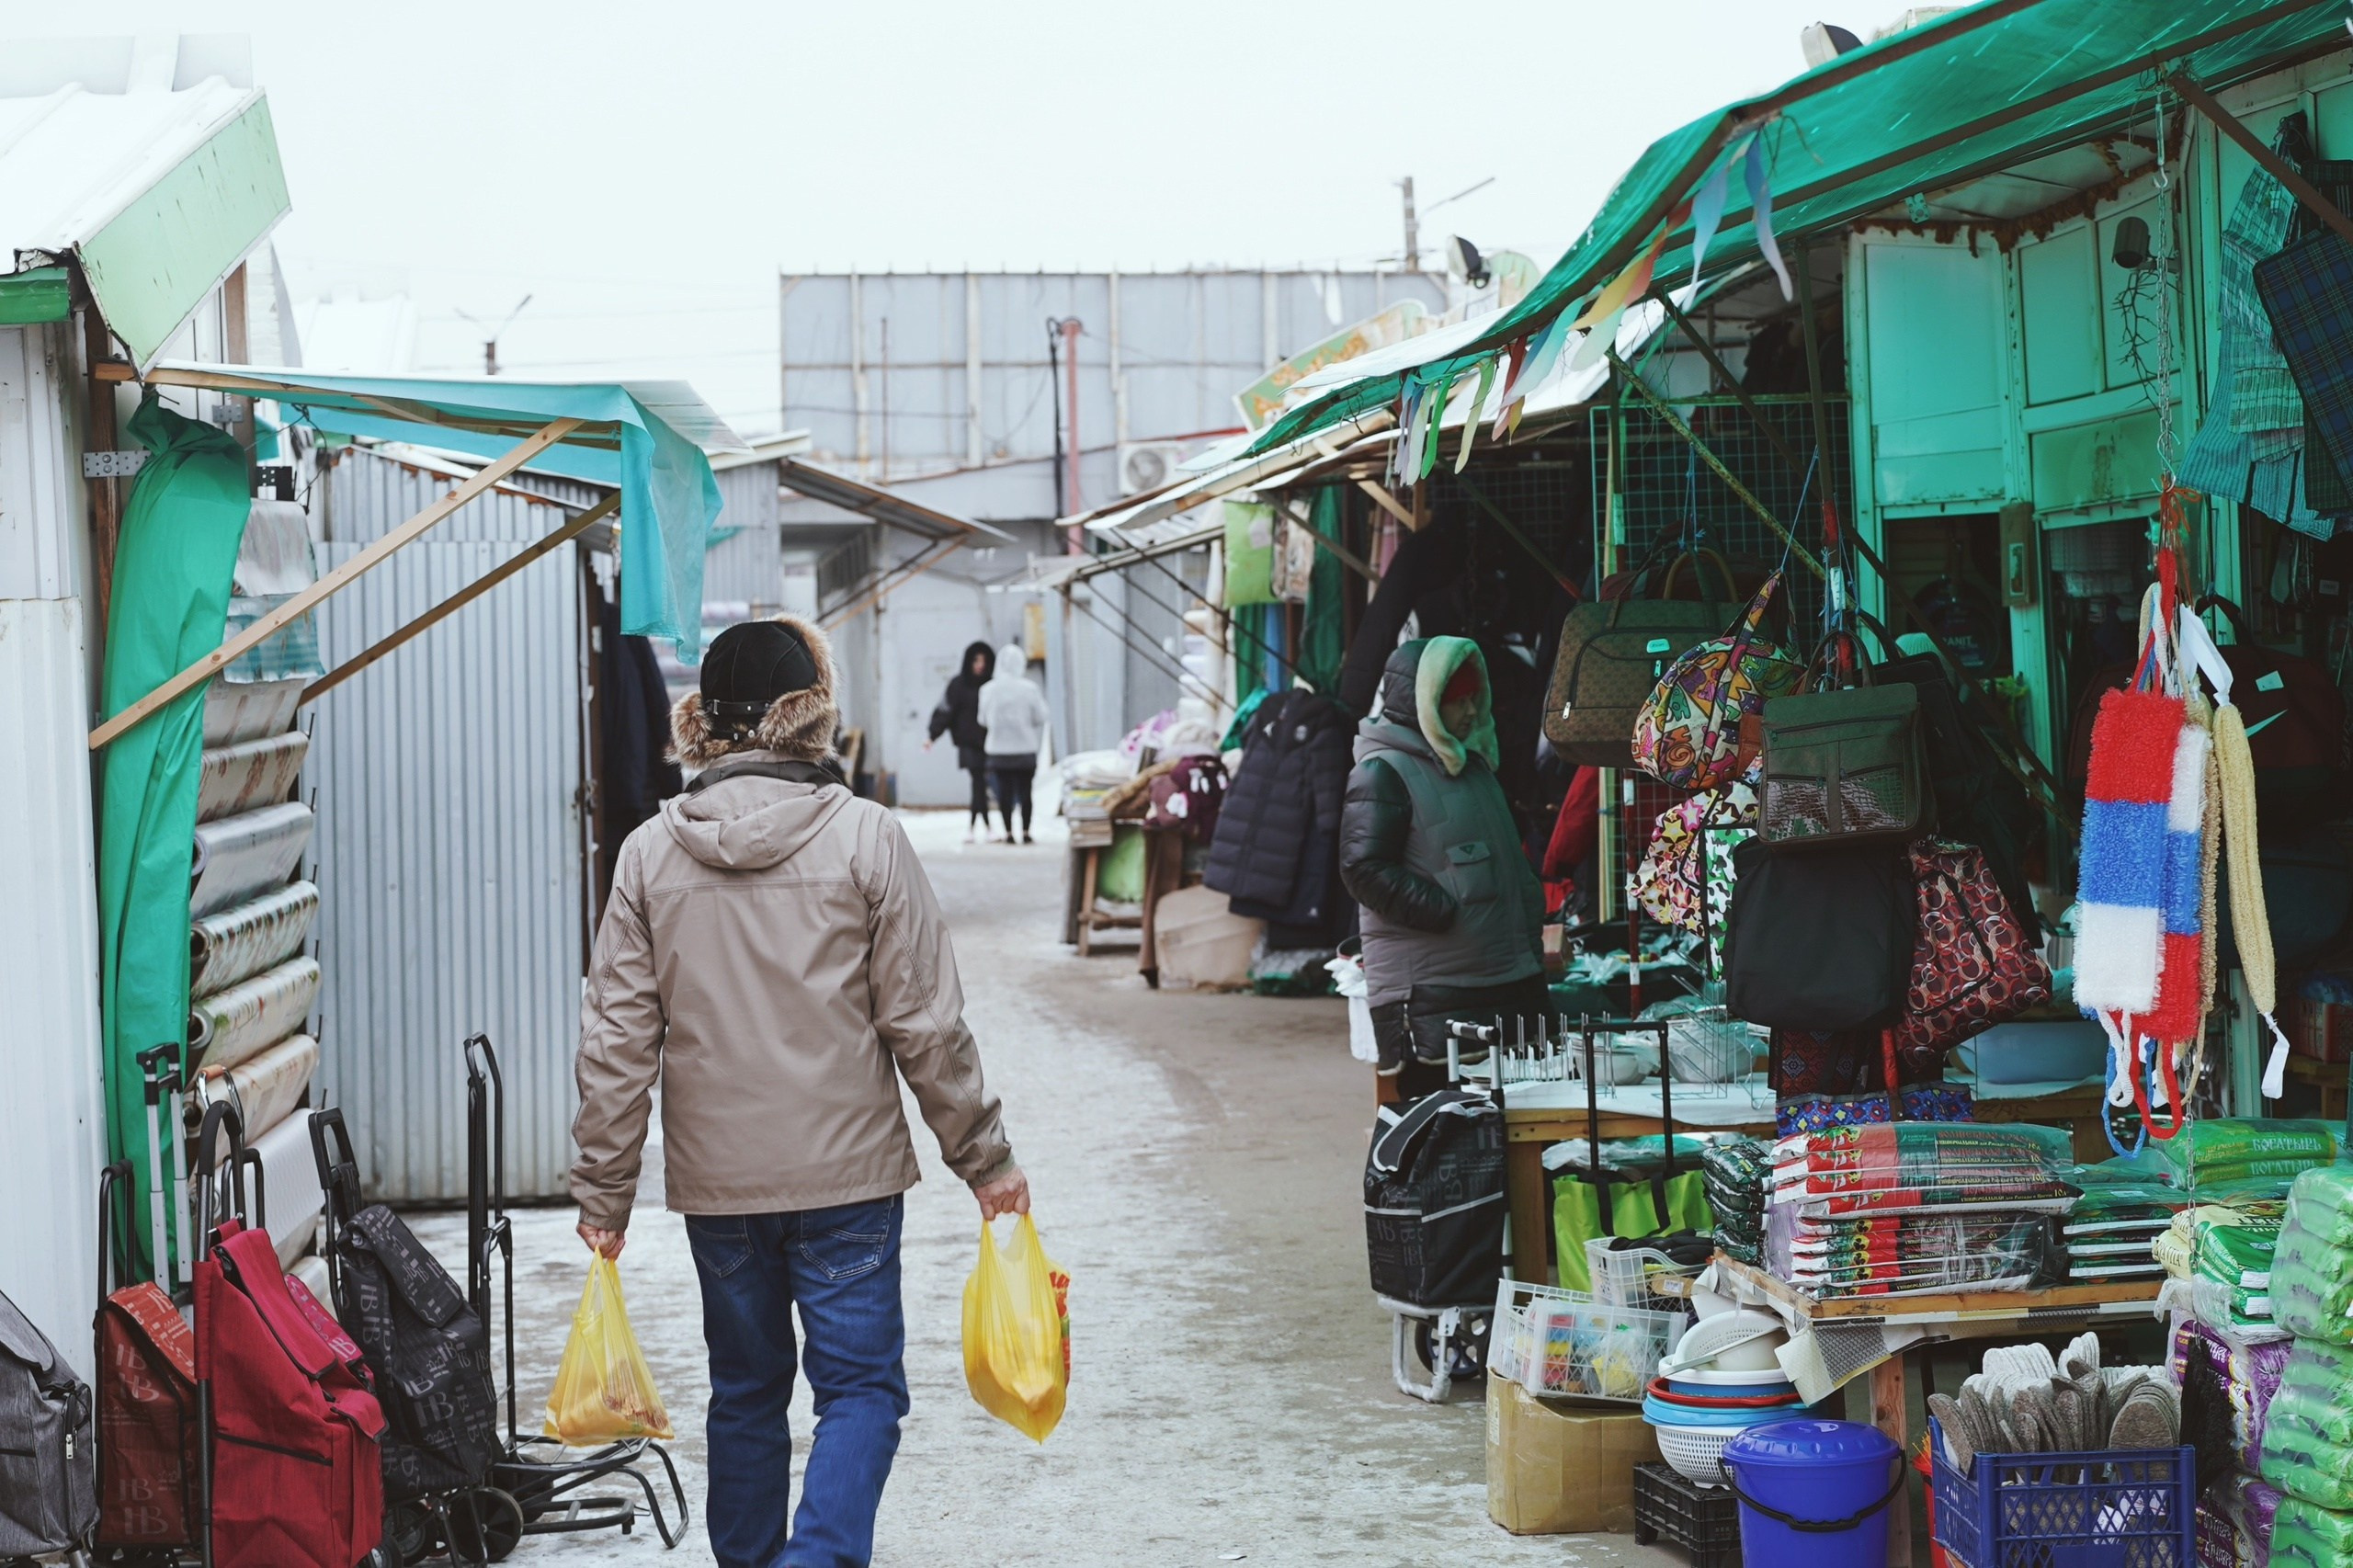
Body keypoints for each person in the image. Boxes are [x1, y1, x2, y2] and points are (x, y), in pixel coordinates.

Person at [569, 616, 1029, 1568]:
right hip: (848, 1185)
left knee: (744, 1388)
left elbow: (617, 1040)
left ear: (706, 727)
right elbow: (925, 1023)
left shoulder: (650, 854)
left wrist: (603, 1190)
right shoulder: (867, 838)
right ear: (809, 719)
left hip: (721, 1191)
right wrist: (984, 1159)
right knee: (860, 1391)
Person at [1339, 635, 1546, 1100]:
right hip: (1436, 986)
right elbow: (1362, 868)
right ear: (1424, 703)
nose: (1471, 712)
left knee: (1508, 1126)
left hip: (1503, 974)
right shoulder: (1380, 772)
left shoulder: (1471, 766)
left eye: (1476, 698)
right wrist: (1445, 911)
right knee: (1443, 1132)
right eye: (1458, 701)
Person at [973, 641, 1050, 845]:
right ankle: (1025, 830)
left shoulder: (988, 690)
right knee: (1026, 792)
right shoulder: (1029, 688)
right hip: (1025, 748)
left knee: (1004, 793)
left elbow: (982, 720)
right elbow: (1041, 716)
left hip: (998, 750)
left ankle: (1008, 831)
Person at [925, 640, 998, 843]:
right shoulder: (959, 685)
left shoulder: (992, 685)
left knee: (981, 783)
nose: (980, 665)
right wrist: (932, 735)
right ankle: (982, 827)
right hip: (968, 742)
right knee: (978, 782)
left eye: (984, 660)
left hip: (991, 743)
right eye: (976, 660)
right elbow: (945, 711)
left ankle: (976, 828)